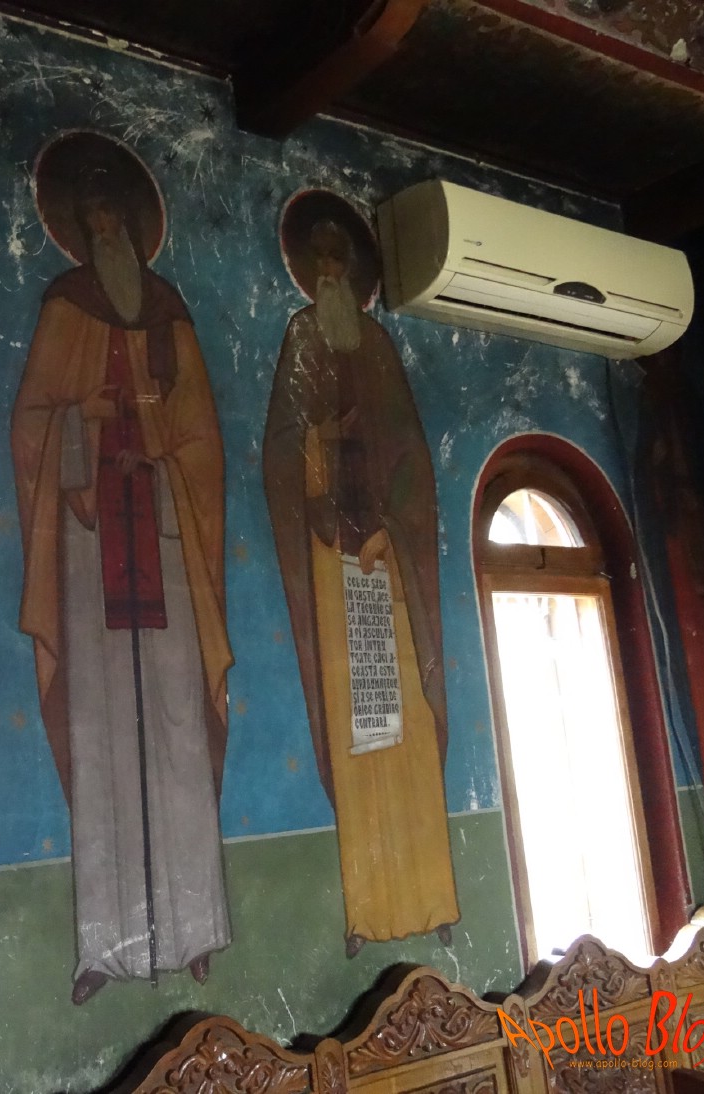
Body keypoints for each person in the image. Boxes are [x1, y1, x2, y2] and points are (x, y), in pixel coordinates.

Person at [12, 156, 233, 1005]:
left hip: (165, 544)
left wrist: (161, 455)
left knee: (178, 727)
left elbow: (203, 440)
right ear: (80, 233)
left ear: (138, 231)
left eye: (117, 222)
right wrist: (83, 420)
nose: (107, 235)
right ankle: (104, 947)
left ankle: (195, 929)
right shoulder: (65, 306)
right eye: (93, 224)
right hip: (87, 543)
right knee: (101, 733)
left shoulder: (171, 314)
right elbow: (30, 423)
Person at [262, 213, 459, 958]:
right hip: (331, 561)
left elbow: (409, 453)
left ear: (354, 273)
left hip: (386, 559)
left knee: (407, 730)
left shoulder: (376, 344)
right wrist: (318, 470)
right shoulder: (300, 339)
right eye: (318, 263)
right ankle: (366, 913)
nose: (329, 275)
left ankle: (433, 899)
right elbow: (282, 446)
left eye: (338, 262)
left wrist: (390, 529)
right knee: (355, 730)